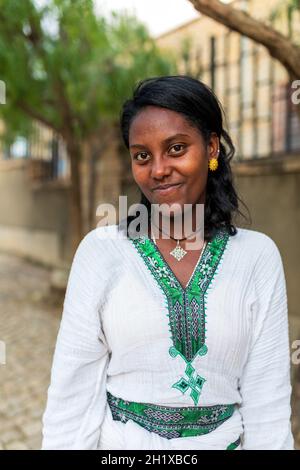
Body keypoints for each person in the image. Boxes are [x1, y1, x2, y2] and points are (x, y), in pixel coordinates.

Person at [41, 75, 294, 450]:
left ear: (210, 148)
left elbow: (268, 402)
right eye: (142, 155)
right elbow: (72, 393)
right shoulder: (103, 252)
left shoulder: (257, 258)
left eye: (176, 149)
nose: (158, 169)